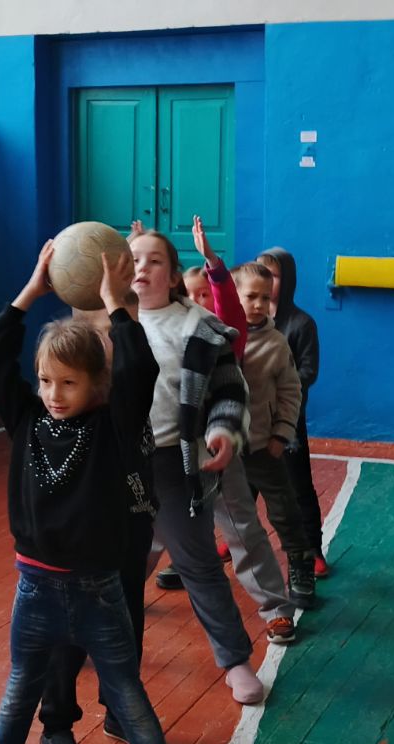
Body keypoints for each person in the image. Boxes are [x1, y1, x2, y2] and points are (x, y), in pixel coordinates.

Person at [0, 244, 200, 744]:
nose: (54, 394)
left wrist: (116, 304)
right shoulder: (27, 421)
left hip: (97, 595)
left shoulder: (114, 428)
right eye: (45, 381)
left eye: (69, 383)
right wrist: (31, 290)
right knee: (18, 697)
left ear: (98, 386)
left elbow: (139, 367)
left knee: (131, 702)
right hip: (33, 591)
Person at [129, 227, 270, 699]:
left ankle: (235, 661)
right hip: (116, 464)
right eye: (133, 259)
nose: (141, 268)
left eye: (154, 261)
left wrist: (222, 430)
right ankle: (90, 644)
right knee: (108, 561)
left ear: (173, 277)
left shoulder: (198, 328)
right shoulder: (102, 324)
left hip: (170, 462)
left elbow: (229, 390)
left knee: (198, 564)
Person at [34, 305, 157, 744]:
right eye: (95, 331)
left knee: (126, 625)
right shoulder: (68, 419)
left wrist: (116, 308)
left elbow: (138, 366)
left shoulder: (123, 403)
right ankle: (56, 726)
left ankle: (118, 710)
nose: (106, 340)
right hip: (76, 551)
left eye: (110, 331)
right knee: (67, 638)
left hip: (127, 533)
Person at [230, 260, 316, 605]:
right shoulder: (217, 336)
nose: (258, 304)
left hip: (262, 446)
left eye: (265, 298)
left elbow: (291, 392)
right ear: (233, 295)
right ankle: (190, 560)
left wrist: (281, 434)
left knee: (284, 510)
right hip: (223, 447)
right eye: (251, 296)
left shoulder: (277, 343)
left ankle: (300, 563)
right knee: (208, 508)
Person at [259, 247, 328, 576]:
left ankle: (313, 548)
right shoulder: (250, 319)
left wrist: (275, 390)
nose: (266, 281)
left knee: (298, 485)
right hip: (253, 419)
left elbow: (308, 372)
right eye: (262, 273)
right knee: (244, 485)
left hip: (287, 420)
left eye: (273, 275)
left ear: (287, 280)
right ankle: (235, 537)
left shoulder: (302, 323)